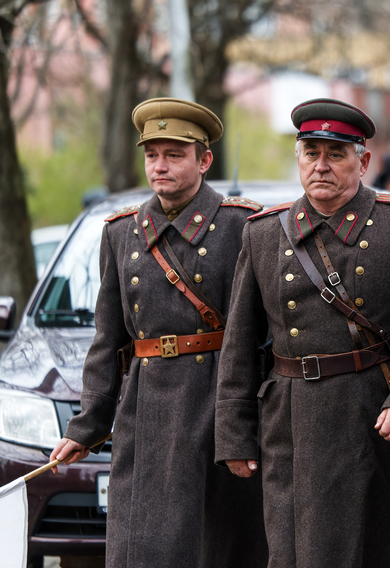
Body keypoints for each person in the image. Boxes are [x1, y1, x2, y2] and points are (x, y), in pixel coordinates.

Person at [214, 98, 390, 567]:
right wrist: (233, 432)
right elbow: (241, 342)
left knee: (380, 550)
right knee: (294, 551)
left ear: (363, 160)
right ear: (298, 157)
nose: (321, 166)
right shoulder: (264, 233)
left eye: (336, 154)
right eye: (311, 152)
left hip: (375, 417)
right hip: (289, 422)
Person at [50, 98, 268, 567]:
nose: (160, 166)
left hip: (220, 408)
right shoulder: (121, 232)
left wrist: (248, 422)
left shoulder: (242, 225)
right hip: (145, 413)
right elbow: (108, 342)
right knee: (146, 548)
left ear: (204, 160)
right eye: (152, 155)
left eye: (174, 154)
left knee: (222, 546)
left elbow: (262, 337)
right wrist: (87, 426)